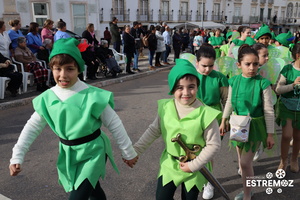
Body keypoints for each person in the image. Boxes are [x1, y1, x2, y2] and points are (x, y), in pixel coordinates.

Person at [9, 37, 138, 200]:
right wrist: (17, 155)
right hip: (68, 153)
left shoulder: (93, 96)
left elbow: (114, 123)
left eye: (69, 69)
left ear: (79, 69)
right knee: (93, 189)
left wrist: (128, 151)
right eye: (57, 69)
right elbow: (32, 127)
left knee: (78, 195)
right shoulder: (47, 98)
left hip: (94, 152)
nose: (63, 75)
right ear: (51, 69)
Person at [131, 59, 221, 200]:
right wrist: (136, 150)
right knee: (162, 197)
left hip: (195, 166)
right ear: (172, 88)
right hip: (170, 163)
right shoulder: (166, 108)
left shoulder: (206, 114)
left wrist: (194, 165)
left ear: (198, 86)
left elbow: (214, 144)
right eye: (180, 87)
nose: (186, 92)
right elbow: (154, 130)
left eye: (191, 87)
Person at [219, 44, 275, 200]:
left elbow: (269, 110)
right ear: (239, 65)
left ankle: (248, 194)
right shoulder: (234, 81)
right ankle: (247, 189)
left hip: (255, 127)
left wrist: (270, 134)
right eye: (247, 64)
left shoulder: (262, 83)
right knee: (242, 162)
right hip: (238, 124)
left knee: (244, 163)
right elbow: (229, 101)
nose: (252, 68)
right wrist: (224, 120)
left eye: (255, 64)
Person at [195, 44, 229, 200]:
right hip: (194, 116)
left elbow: (227, 100)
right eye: (203, 66)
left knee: (208, 153)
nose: (207, 69)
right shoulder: (190, 76)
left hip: (214, 117)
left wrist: (225, 120)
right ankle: (197, 179)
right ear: (197, 63)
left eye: (210, 66)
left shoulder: (220, 77)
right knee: (195, 151)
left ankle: (208, 183)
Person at [275, 43, 300, 173]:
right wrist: (293, 85)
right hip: (287, 106)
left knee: (298, 137)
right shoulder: (287, 69)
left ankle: (294, 159)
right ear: (297, 56)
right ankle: (283, 160)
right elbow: (278, 89)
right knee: (286, 135)